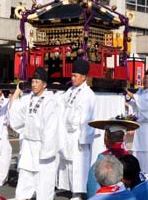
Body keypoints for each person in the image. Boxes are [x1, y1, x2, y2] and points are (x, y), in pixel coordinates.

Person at [9, 67, 59, 200]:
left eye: (37, 82)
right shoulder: (28, 98)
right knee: (25, 175)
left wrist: (46, 150)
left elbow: (51, 128)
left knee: (43, 179)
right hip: (28, 144)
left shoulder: (50, 101)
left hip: (42, 145)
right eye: (33, 81)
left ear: (44, 84)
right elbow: (15, 110)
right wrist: (17, 91)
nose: (34, 84)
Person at [58, 59, 96, 200]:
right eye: (72, 75)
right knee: (67, 160)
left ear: (83, 77)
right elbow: (61, 104)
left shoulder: (88, 93)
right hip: (67, 132)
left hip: (78, 133)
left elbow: (87, 117)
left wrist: (84, 138)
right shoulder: (70, 90)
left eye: (75, 76)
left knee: (78, 162)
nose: (72, 78)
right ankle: (69, 188)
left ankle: (78, 192)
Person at [87, 118, 140, 197]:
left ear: (106, 139)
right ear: (123, 138)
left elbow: (93, 192)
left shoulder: (100, 162)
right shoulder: (132, 161)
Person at [125, 68, 148, 179]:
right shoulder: (141, 91)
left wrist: (131, 95)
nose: (145, 80)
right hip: (140, 126)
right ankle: (140, 172)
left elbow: (146, 104)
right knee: (139, 149)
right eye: (145, 77)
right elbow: (135, 103)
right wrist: (127, 100)